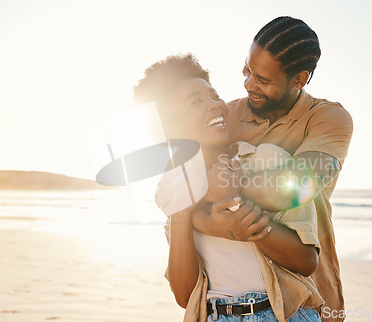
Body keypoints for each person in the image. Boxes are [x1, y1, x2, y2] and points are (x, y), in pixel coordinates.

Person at [134, 54, 323, 321]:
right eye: (196, 102)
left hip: (282, 314)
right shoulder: (174, 189)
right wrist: (183, 211)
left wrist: (235, 202)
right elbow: (184, 295)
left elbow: (306, 261)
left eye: (214, 96)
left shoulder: (268, 160)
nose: (215, 106)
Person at [194, 17, 354, 322]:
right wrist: (214, 219)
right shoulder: (226, 115)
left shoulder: (329, 119)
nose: (249, 84)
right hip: (231, 297)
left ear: (299, 79)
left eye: (263, 80)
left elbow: (302, 183)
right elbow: (181, 185)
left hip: (306, 292)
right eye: (247, 71)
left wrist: (225, 189)